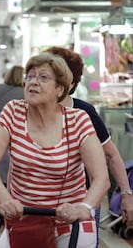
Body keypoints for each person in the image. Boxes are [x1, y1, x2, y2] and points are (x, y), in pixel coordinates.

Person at [0, 52, 110, 248]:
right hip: (24, 219)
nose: (33, 82)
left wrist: (83, 208)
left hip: (70, 220)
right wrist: (5, 201)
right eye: (30, 76)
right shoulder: (13, 112)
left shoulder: (78, 120)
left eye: (43, 77)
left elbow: (101, 178)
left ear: (60, 89)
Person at [45, 46, 133, 245]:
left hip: (82, 200)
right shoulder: (26, 110)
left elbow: (110, 155)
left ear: (69, 82)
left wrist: (127, 195)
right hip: (36, 204)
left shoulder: (83, 112)